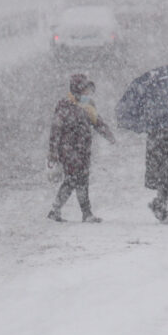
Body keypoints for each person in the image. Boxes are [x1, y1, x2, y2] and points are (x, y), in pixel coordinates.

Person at [46, 74, 116, 223]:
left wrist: (108, 134)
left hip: (83, 150)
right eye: (85, 90)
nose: (88, 93)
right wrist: (53, 151)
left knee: (81, 180)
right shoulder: (64, 106)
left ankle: (67, 211)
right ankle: (73, 211)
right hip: (68, 151)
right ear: (77, 90)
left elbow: (98, 122)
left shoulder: (88, 106)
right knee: (73, 180)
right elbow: (56, 130)